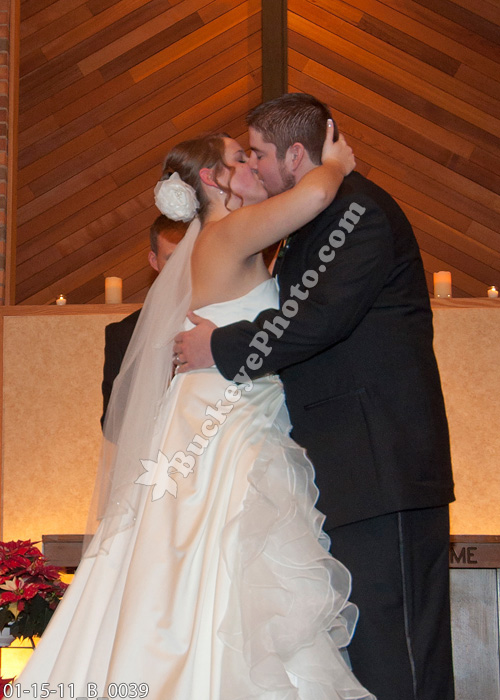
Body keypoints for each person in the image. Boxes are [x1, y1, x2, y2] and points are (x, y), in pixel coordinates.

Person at [15, 127, 374, 700]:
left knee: (194, 563)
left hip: (220, 410)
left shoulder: (222, 239)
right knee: (224, 558)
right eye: (240, 158)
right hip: (227, 422)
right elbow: (313, 195)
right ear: (212, 179)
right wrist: (333, 161)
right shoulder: (229, 231)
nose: (252, 165)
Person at [174, 94, 456, 700]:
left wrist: (219, 346)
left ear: (296, 154)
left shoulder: (357, 212)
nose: (254, 166)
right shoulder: (313, 219)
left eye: (258, 153)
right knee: (365, 652)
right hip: (345, 467)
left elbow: (316, 319)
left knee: (399, 652)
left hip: (381, 465)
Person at [101, 215, 187, 424]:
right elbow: (112, 422)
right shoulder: (123, 334)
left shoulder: (221, 320)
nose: (181, 268)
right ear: (154, 261)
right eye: (172, 259)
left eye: (189, 256)